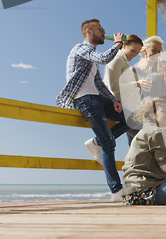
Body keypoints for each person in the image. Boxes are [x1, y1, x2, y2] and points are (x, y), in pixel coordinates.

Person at [55, 19, 129, 201]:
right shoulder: (80, 49)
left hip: (97, 99)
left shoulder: (91, 57)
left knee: (131, 118)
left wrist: (113, 100)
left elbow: (98, 83)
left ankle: (96, 142)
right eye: (100, 29)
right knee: (109, 143)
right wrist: (118, 43)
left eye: (103, 29)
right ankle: (116, 191)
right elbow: (104, 59)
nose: (104, 32)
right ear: (89, 32)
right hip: (85, 101)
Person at [118, 36, 166, 143]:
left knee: (156, 145)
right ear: (145, 51)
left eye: (159, 51)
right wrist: (136, 84)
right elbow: (123, 89)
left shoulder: (161, 68)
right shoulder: (133, 70)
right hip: (139, 114)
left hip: (159, 114)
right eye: (154, 50)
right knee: (135, 147)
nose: (157, 54)